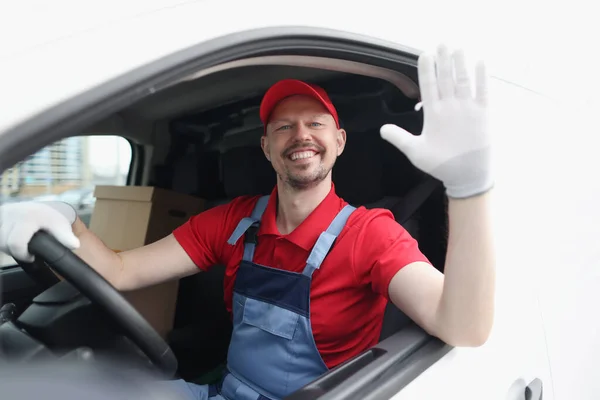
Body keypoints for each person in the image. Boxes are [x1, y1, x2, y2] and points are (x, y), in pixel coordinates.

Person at [0, 44, 495, 400]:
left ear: (339, 141)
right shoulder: (233, 222)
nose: (300, 134)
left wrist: (468, 186)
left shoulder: (371, 234)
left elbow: (464, 326)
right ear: (266, 146)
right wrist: (62, 221)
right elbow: (121, 270)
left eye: (315, 123)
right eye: (283, 126)